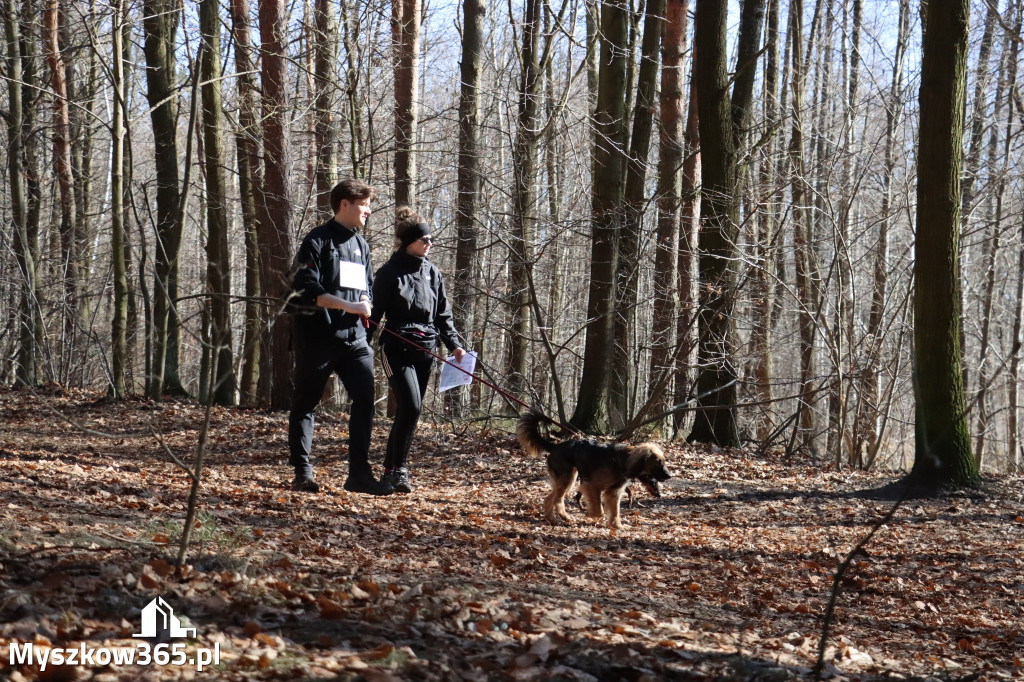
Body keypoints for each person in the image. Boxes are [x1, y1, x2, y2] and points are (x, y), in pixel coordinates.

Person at [287, 179, 393, 496]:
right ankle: (302, 472)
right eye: (364, 204)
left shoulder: (361, 246)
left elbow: (367, 290)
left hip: (354, 340)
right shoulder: (316, 241)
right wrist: (348, 305)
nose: (369, 210)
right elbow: (308, 291)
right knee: (306, 404)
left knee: (364, 399)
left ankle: (359, 475)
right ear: (344, 204)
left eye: (369, 204)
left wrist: (367, 308)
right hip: (317, 337)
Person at [369, 207, 467, 493]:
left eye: (431, 239)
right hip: (396, 349)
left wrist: (455, 345)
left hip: (427, 350)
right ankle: (391, 470)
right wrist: (361, 345)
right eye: (425, 240)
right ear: (409, 241)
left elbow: (443, 315)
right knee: (409, 405)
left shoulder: (433, 273)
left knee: (413, 411)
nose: (430, 244)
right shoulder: (389, 273)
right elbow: (374, 315)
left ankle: (398, 470)